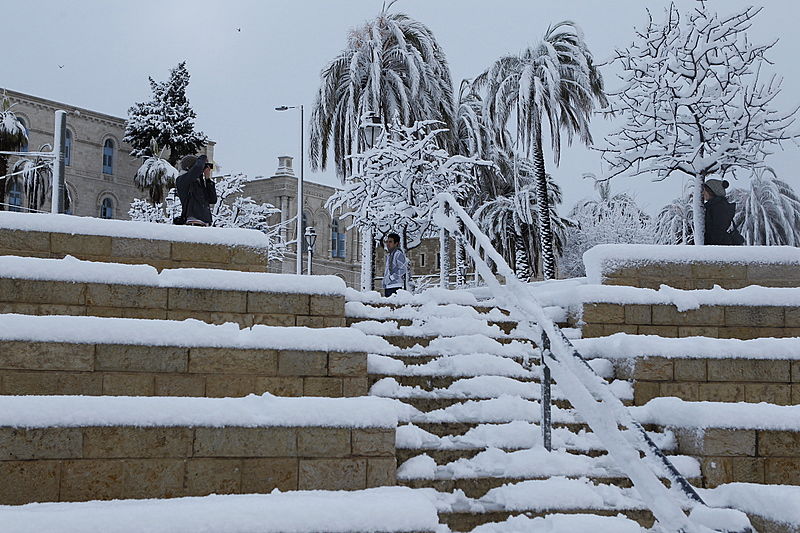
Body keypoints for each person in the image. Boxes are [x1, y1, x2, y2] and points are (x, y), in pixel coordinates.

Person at [175, 154, 217, 226]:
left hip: (205, 222)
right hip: (193, 222)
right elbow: (198, 167)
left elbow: (212, 199)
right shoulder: (182, 180)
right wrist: (203, 157)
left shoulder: (199, 183)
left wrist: (207, 180)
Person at [702, 178, 743, 245]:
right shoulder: (719, 206)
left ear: (711, 191)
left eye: (704, 190)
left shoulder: (717, 208)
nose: (703, 193)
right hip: (720, 247)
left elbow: (717, 232)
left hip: (717, 249)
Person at [382, 233, 408, 298]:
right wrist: (385, 280)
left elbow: (403, 269)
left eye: (390, 242)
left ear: (396, 243)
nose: (388, 244)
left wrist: (391, 278)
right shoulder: (389, 255)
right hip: (388, 286)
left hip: (396, 286)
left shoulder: (398, 254)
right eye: (387, 242)